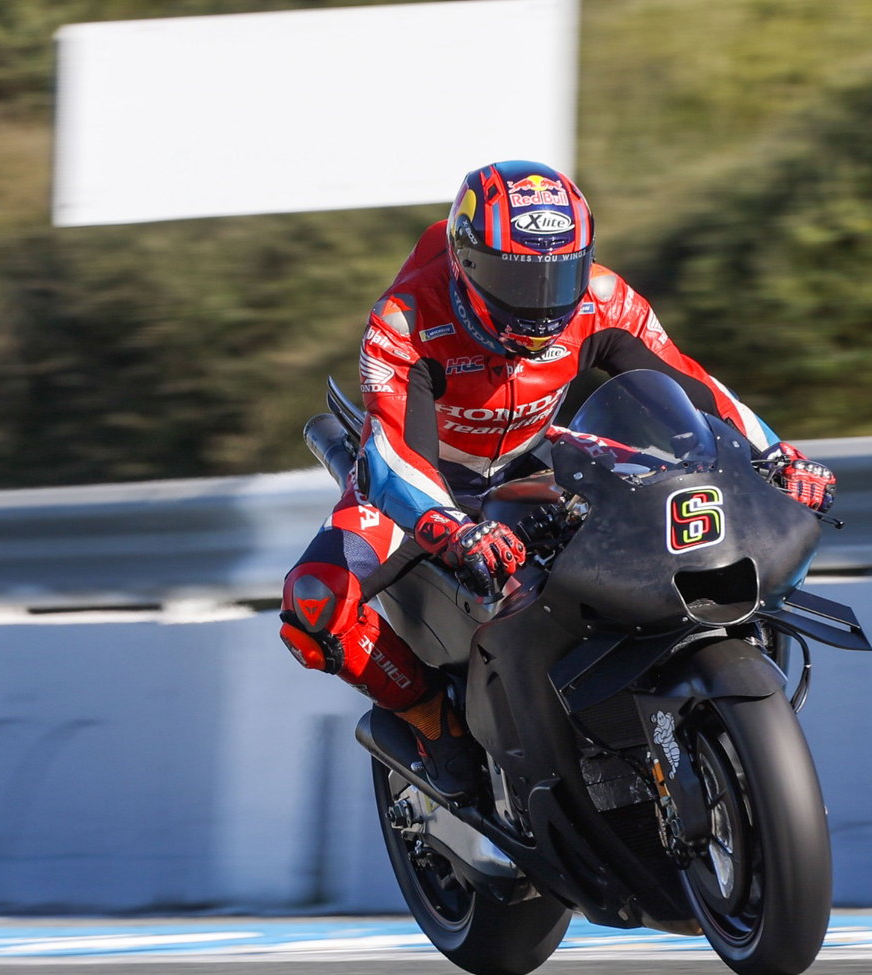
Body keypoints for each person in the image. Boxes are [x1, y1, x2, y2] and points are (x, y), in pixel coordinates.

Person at [280, 160, 835, 797]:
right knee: (313, 602)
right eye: (519, 276)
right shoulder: (407, 319)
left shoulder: (601, 297)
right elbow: (395, 453)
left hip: (539, 454)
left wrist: (778, 456)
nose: (544, 301)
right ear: (468, 261)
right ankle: (434, 724)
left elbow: (691, 385)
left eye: (560, 272)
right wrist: (450, 528)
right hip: (428, 479)